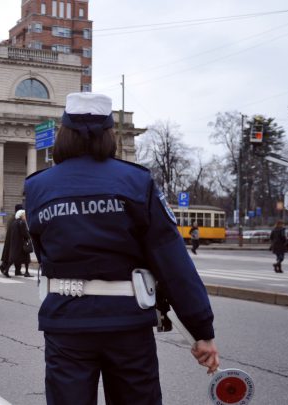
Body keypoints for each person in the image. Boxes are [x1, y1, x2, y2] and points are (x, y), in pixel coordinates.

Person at [24, 92, 218, 405]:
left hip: (66, 321)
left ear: (64, 133)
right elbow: (172, 262)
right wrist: (201, 330)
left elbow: (43, 253)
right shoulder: (135, 181)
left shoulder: (37, 187)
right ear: (108, 134)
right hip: (127, 323)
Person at [0, 204, 24, 277]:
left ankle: (17, 270)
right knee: (11, 256)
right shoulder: (16, 219)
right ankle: (4, 268)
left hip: (11, 240)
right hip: (13, 240)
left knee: (16, 255)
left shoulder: (13, 218)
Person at [8, 209, 32, 277]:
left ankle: (7, 270)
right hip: (22, 244)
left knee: (13, 258)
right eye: (24, 215)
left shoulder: (14, 222)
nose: (25, 216)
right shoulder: (22, 222)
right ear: (21, 215)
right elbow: (24, 233)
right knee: (26, 258)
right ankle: (26, 272)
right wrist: (29, 236)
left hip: (15, 243)